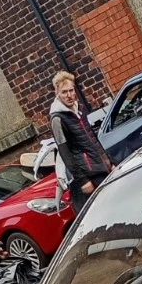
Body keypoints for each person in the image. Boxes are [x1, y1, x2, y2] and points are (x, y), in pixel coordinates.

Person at [49, 72, 112, 204]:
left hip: (102, 166)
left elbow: (93, 139)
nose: (69, 95)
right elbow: (65, 153)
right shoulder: (57, 119)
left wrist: (109, 161)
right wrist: (83, 180)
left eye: (71, 90)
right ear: (57, 93)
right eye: (64, 92)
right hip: (89, 174)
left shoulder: (80, 110)